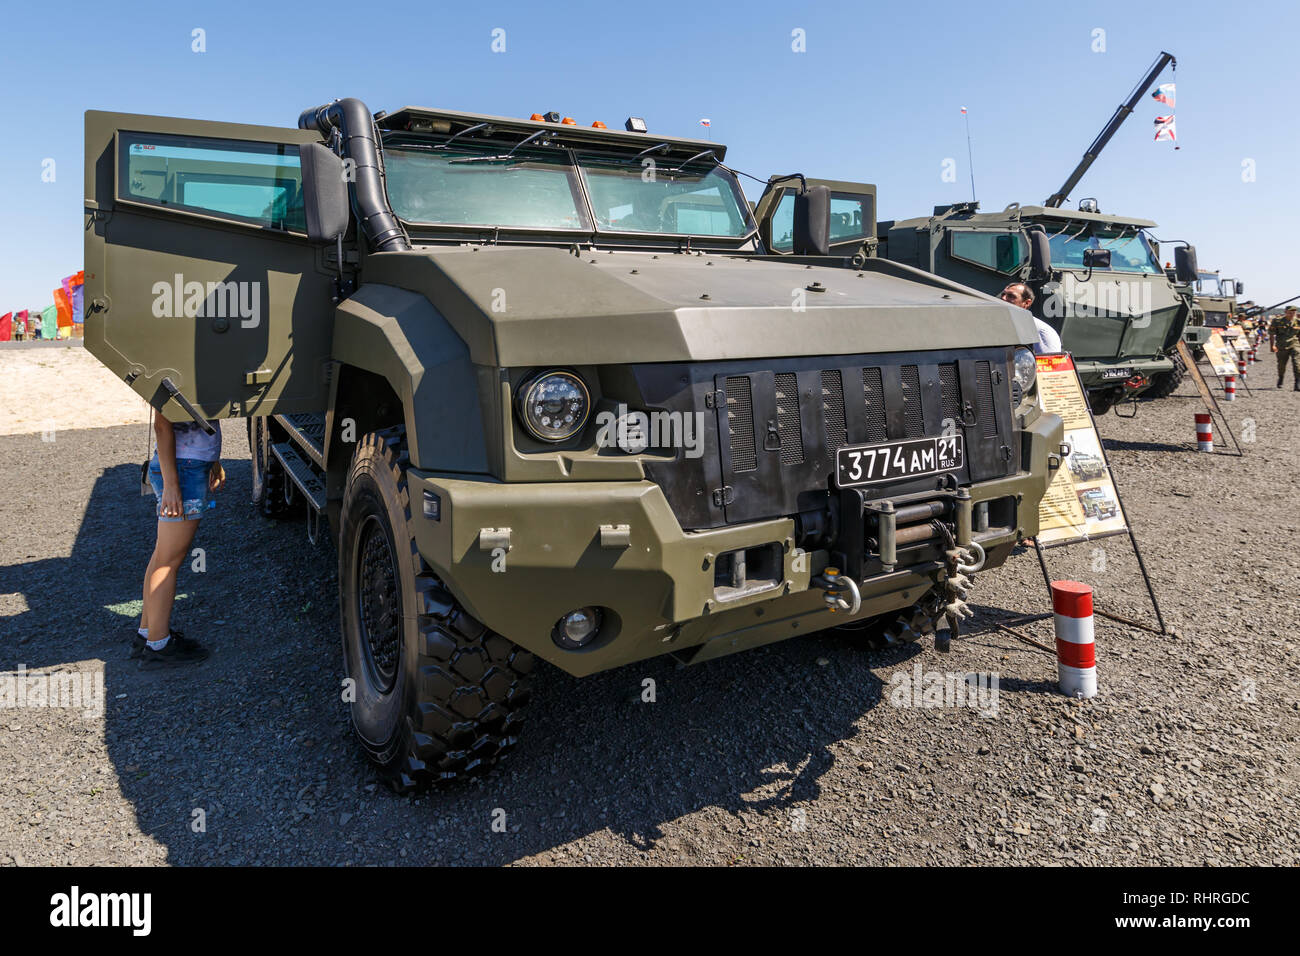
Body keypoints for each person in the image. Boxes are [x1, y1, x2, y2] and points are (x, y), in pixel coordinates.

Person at [131, 415, 225, 668]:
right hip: (183, 470)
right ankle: (158, 647)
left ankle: (147, 634)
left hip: (186, 465)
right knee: (168, 562)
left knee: (162, 556)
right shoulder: (168, 376)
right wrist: (173, 486)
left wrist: (212, 460)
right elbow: (162, 425)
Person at [1000, 282, 1061, 354]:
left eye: (1011, 296)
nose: (1003, 298)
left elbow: (1049, 362)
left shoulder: (1041, 331)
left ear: (1026, 303)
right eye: (1003, 294)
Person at [1270, 305, 1300, 390]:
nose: (1292, 314)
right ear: (1285, 312)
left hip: (1295, 345)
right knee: (1281, 365)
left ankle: (1297, 383)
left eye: (1294, 312)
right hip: (1281, 345)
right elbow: (1272, 334)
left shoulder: (1298, 322)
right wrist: (1272, 345)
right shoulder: (1277, 321)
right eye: (1290, 312)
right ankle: (1281, 378)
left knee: (1297, 364)